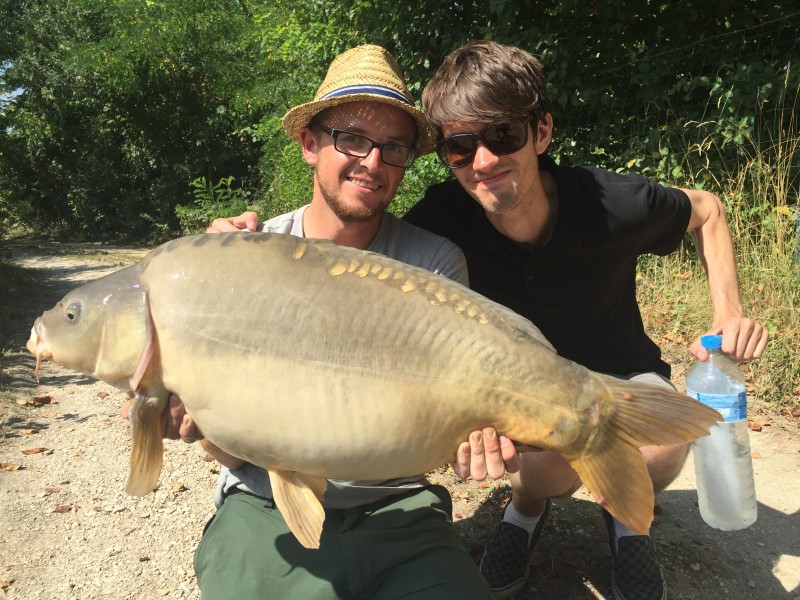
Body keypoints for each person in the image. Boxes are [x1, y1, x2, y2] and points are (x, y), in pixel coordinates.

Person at [403, 40, 770, 600]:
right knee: (545, 467)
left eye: (502, 135)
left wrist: (730, 312)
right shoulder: (439, 220)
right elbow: (366, 260)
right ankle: (525, 510)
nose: (483, 161)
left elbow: (708, 211)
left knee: (663, 444)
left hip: (622, 373)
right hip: (526, 392)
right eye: (460, 145)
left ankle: (628, 520)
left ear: (541, 131)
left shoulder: (612, 203)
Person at [138, 45, 493, 599]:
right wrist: (193, 419)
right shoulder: (243, 255)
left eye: (394, 148)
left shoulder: (433, 264)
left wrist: (479, 433)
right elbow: (214, 426)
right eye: (352, 138)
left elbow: (449, 414)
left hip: (397, 505)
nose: (372, 162)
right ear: (309, 143)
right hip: (263, 502)